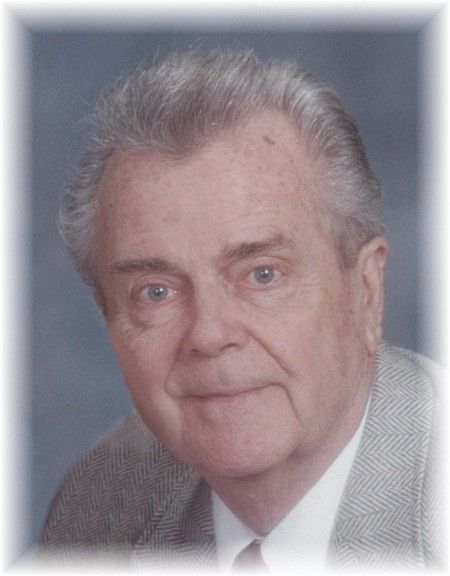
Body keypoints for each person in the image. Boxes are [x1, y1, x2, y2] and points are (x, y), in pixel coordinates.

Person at [39, 49, 443, 572]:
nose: (209, 334)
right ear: (108, 318)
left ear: (366, 291)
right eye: (156, 291)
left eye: (262, 275)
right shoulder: (98, 505)